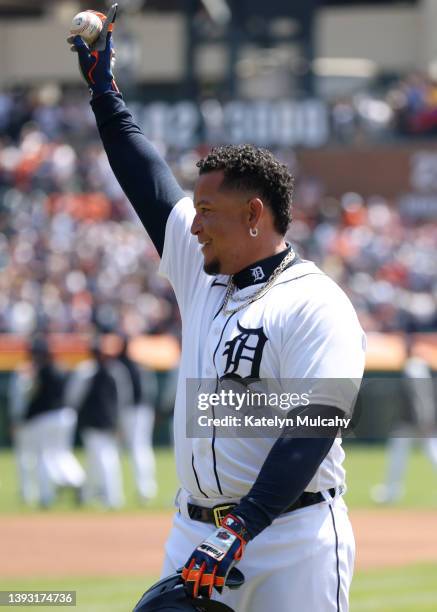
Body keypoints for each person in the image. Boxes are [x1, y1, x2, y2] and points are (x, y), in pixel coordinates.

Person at [68, 11, 366, 611]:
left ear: (255, 215)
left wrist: (242, 527)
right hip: (196, 531)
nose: (192, 223)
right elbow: (145, 177)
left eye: (207, 210)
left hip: (291, 540)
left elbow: (316, 424)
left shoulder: (315, 302)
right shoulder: (203, 275)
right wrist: (104, 93)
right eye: (194, 208)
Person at [8, 334, 84, 507]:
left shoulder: (35, 370)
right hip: (66, 414)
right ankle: (76, 479)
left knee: (44, 455)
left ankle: (46, 496)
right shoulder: (61, 367)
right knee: (61, 451)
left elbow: (30, 396)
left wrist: (21, 419)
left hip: (45, 417)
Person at [65, 335, 130, 509]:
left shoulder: (87, 370)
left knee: (104, 458)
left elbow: (72, 397)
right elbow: (124, 398)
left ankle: (113, 498)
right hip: (105, 421)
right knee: (96, 459)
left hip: (96, 421)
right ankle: (87, 495)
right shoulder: (115, 370)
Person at [372, 335, 437, 504]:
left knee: (400, 457)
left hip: (412, 422)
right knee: (428, 454)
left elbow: (419, 397)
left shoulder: (413, 367)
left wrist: (423, 420)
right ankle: (391, 492)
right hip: (415, 421)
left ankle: (391, 493)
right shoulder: (419, 366)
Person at [115, 334, 158, 502]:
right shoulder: (139, 364)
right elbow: (151, 388)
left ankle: (144, 489)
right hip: (145, 408)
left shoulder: (121, 364)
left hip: (131, 410)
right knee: (142, 447)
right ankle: (147, 488)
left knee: (136, 448)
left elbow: (122, 392)